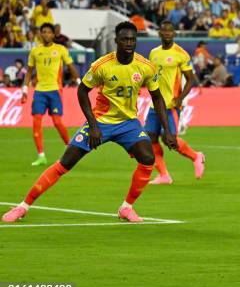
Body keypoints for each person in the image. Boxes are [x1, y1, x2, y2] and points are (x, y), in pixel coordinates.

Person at [3, 21, 177, 223]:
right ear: (116, 41)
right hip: (101, 121)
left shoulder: (146, 67)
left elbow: (157, 98)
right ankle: (23, 206)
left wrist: (168, 131)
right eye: (125, 39)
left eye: (132, 39)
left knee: (148, 159)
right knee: (65, 163)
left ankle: (126, 208)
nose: (129, 43)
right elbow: (82, 91)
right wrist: (93, 125)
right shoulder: (101, 65)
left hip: (129, 123)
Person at [145, 21, 205, 185]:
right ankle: (164, 175)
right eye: (163, 31)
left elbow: (191, 79)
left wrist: (180, 98)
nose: (167, 34)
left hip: (171, 104)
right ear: (159, 33)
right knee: (149, 139)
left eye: (170, 31)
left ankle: (196, 156)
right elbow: (152, 76)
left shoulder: (181, 54)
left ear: (174, 34)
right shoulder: (153, 53)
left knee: (168, 138)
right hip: (154, 105)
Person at [21, 23, 81, 166]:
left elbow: (71, 66)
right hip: (40, 91)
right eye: (44, 32)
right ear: (40, 34)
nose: (46, 34)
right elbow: (29, 72)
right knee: (36, 121)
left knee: (57, 122)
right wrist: (24, 88)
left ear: (53, 34)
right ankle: (41, 155)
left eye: (49, 32)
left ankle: (70, 148)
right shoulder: (35, 51)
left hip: (55, 90)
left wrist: (79, 82)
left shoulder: (60, 49)